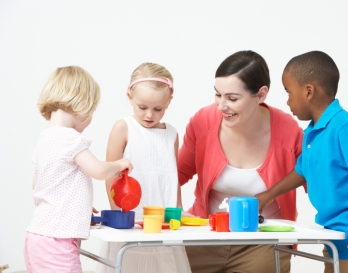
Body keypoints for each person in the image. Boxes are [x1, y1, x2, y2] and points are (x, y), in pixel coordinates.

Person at [256, 51, 348, 273]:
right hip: (335, 233)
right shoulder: (314, 131)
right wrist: (268, 195)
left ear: (309, 91)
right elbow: (302, 170)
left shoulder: (343, 127)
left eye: (289, 92)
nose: (287, 101)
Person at [178, 50, 304, 273]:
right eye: (218, 95)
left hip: (264, 242)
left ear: (261, 94)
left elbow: (319, 182)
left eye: (232, 99)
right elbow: (175, 174)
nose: (221, 106)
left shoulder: (288, 131)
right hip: (206, 235)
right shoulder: (203, 121)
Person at [24, 66, 133, 273]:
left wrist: (77, 203)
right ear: (79, 105)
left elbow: (37, 184)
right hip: (57, 242)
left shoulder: (44, 139)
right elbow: (98, 170)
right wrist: (119, 164)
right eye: (91, 111)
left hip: (36, 238)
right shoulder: (70, 138)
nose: (90, 119)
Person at [95, 63, 192, 273]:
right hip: (130, 219)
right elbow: (110, 175)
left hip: (163, 224)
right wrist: (118, 213)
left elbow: (171, 178)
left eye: (158, 109)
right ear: (130, 97)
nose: (149, 115)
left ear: (169, 101)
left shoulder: (171, 134)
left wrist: (179, 209)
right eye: (143, 107)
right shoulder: (123, 127)